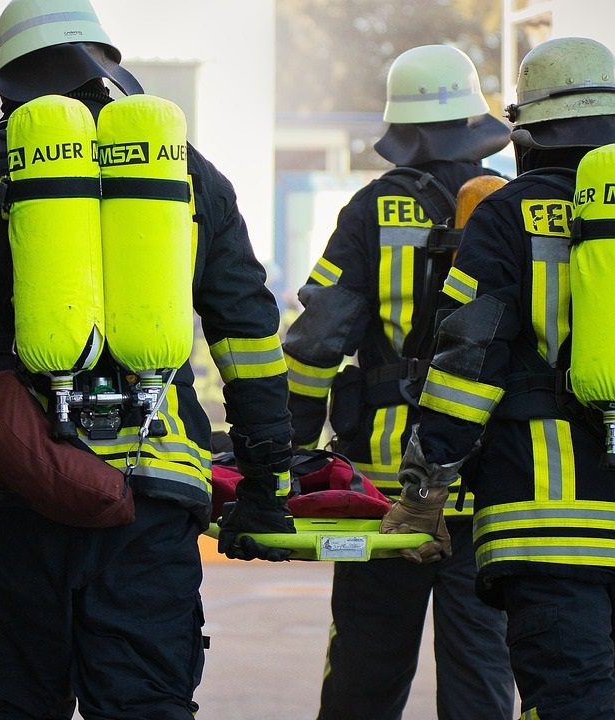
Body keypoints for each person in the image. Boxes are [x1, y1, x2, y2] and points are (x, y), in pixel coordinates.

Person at [0, 2, 293, 717]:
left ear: (7, 80)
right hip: (151, 490)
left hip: (14, 489)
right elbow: (249, 335)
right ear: (105, 63)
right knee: (144, 705)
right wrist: (267, 479)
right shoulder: (185, 173)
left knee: (2, 704)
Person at [382, 36, 615, 719]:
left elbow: (465, 365)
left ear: (528, 134)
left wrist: (424, 492)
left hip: (545, 529)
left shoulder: (507, 213)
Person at [281, 45, 515, 720]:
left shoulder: (370, 211)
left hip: (379, 491)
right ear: (473, 123)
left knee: (363, 672)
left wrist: (289, 450)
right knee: (481, 680)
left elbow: (317, 339)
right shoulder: (509, 205)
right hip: (484, 483)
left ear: (402, 129)